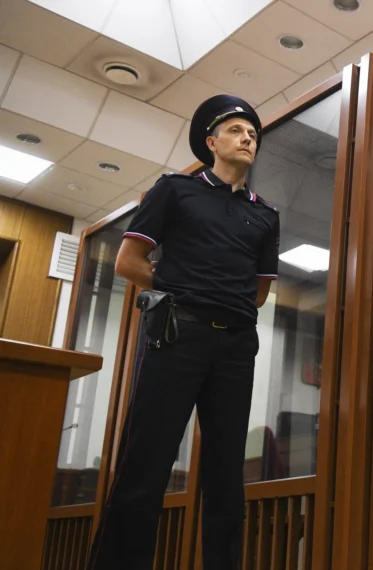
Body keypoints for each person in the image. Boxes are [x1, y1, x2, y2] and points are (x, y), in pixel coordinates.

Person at [88, 95, 279, 570]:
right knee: (146, 463)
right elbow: (129, 263)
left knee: (226, 475)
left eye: (252, 133)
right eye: (236, 130)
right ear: (211, 142)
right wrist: (184, 288)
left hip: (236, 347)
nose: (248, 138)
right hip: (177, 335)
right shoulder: (175, 190)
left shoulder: (266, 215)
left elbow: (257, 293)